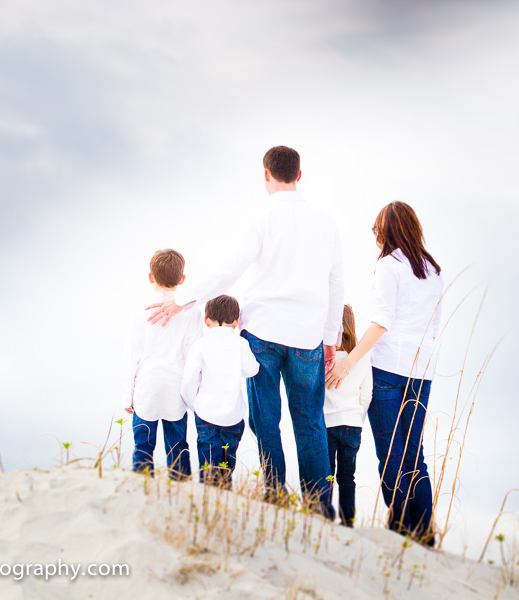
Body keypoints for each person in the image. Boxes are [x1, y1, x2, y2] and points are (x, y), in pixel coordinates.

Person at [148, 146, 344, 517]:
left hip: (263, 333)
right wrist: (330, 338)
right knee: (310, 421)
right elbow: (337, 283)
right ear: (299, 175)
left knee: (266, 419)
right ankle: (319, 506)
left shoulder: (262, 216)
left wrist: (183, 299)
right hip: (307, 336)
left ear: (266, 175)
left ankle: (274, 495)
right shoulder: (326, 222)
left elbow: (230, 267)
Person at [326, 201, 443, 546]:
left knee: (390, 453)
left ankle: (403, 531)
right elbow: (433, 326)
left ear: (387, 230)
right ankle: (424, 533)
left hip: (389, 368)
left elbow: (381, 322)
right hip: (422, 371)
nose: (374, 234)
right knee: (414, 455)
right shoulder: (432, 269)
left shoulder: (388, 266)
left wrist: (348, 362)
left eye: (376, 227)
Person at [122, 249, 202, 480]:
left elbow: (132, 356)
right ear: (182, 279)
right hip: (176, 386)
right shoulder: (191, 312)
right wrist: (193, 395)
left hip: (147, 385)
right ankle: (181, 491)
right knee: (178, 446)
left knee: (143, 446)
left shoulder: (141, 310)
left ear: (151, 277)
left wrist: (127, 395)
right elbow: (194, 354)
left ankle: (142, 488)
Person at [181, 295, 260, 488]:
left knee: (208, 468)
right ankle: (224, 498)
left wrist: (194, 404)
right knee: (226, 467)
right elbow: (252, 369)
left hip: (206, 415)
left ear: (207, 321)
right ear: (236, 322)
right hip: (233, 418)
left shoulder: (200, 345)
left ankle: (208, 505)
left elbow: (188, 382)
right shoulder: (240, 344)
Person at [323, 304, 373, 527]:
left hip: (327, 423)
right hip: (352, 425)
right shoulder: (361, 358)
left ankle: (324, 515)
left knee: (328, 474)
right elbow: (367, 394)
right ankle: (347, 520)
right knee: (347, 477)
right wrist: (358, 418)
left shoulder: (322, 359)